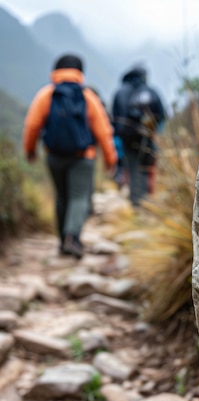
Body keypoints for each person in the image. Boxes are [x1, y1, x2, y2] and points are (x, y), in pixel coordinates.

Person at [23, 53, 117, 259]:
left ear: (56, 70)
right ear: (80, 72)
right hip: (82, 157)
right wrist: (111, 159)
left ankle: (62, 240)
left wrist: (30, 150)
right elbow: (103, 131)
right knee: (79, 197)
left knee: (62, 197)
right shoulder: (88, 97)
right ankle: (72, 238)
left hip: (54, 156)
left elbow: (32, 126)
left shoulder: (46, 95)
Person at [112, 63, 166, 206]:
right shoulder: (151, 91)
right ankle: (146, 200)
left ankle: (136, 203)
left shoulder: (120, 92)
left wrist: (117, 142)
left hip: (126, 139)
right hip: (147, 138)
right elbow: (161, 115)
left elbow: (113, 120)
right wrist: (155, 134)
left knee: (132, 168)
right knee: (147, 169)